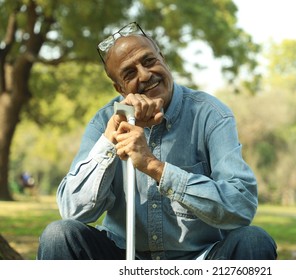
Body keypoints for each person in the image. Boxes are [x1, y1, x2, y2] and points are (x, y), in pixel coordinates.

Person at [37, 22, 277, 260]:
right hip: (123, 257)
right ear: (119, 87)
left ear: (163, 58)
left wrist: (154, 167)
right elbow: (73, 210)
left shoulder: (211, 114)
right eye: (129, 73)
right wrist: (109, 142)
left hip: (200, 258)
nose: (145, 75)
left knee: (254, 241)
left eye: (149, 61)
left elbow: (241, 205)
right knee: (58, 235)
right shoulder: (103, 122)